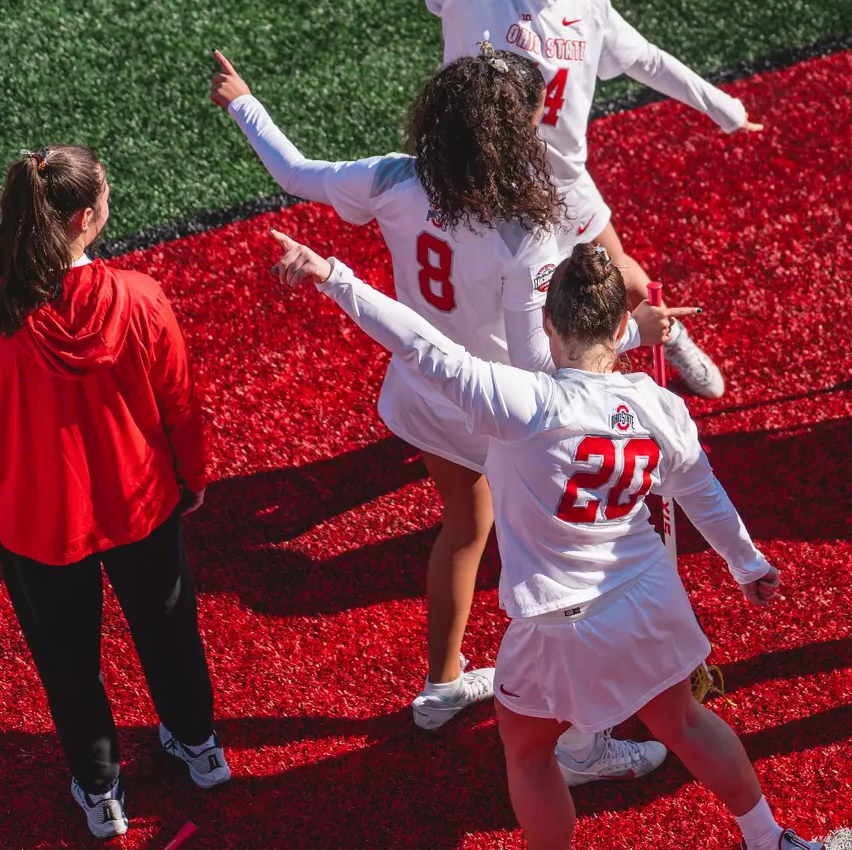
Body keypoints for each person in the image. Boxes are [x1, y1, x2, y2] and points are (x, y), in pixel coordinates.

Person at [208, 48, 688, 785]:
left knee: (465, 529)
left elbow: (294, 172)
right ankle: (581, 743)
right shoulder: (523, 230)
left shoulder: (399, 176)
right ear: (513, 129)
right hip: (498, 411)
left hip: (421, 392)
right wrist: (627, 335)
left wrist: (245, 102)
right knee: (558, 565)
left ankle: (441, 685)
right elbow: (537, 364)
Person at [265, 235, 821, 850]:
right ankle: (769, 838)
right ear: (620, 326)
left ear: (548, 323)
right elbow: (703, 494)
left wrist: (333, 274)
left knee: (528, 749)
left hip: (559, 626)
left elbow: (420, 345)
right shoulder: (660, 405)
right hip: (649, 597)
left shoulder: (518, 401)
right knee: (685, 721)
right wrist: (748, 565)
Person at [278, 0, 753, 398]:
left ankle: (666, 335)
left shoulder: (591, 10)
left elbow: (649, 61)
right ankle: (496, 396)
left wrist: (723, 107)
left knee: (623, 282)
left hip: (565, 182)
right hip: (483, 186)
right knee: (496, 309)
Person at [0, 146, 223, 841]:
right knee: (170, 633)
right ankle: (198, 745)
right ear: (85, 218)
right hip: (141, 503)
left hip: (37, 520)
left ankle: (101, 791)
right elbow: (180, 405)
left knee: (69, 662)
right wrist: (193, 477)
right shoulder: (139, 296)